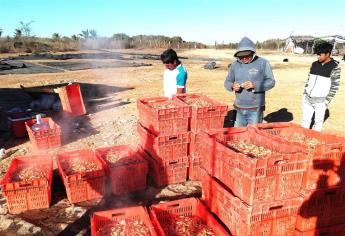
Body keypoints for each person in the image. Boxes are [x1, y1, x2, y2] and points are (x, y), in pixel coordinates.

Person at [224, 37, 275, 127]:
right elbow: (227, 82)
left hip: (256, 109)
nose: (244, 58)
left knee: (254, 136)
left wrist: (255, 85)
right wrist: (232, 86)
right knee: (239, 136)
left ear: (252, 52)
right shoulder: (234, 65)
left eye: (247, 55)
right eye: (241, 56)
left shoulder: (263, 63)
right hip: (239, 108)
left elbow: (271, 82)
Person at [301, 41, 341, 131]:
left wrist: (326, 101)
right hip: (307, 98)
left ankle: (314, 142)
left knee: (318, 123)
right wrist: (305, 93)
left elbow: (335, 85)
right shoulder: (314, 64)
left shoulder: (335, 67)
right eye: (317, 54)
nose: (318, 56)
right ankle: (301, 140)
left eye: (320, 54)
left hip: (321, 101)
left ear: (327, 54)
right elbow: (309, 79)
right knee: (305, 121)